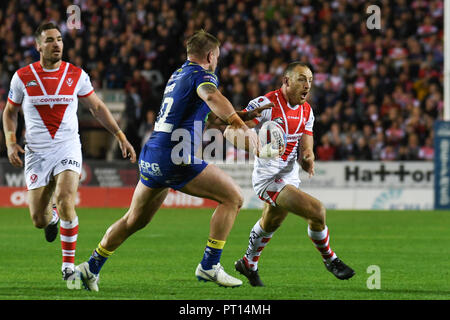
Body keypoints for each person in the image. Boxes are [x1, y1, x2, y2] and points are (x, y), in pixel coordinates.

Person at [75, 30, 268, 291]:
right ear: (210, 55)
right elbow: (211, 97)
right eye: (217, 57)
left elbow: (209, 117)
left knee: (134, 220)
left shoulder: (178, 76)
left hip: (153, 153)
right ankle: (209, 265)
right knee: (233, 198)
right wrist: (239, 124)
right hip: (176, 156)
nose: (217, 61)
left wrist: (241, 115)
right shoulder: (204, 75)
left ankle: (91, 267)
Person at [2, 22, 136, 282]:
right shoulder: (22, 77)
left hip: (67, 146)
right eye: (50, 40)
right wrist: (10, 141)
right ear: (38, 46)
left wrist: (120, 136)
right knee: (38, 220)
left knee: (65, 199)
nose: (57, 44)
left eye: (60, 39)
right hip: (37, 153)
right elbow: (10, 112)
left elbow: (97, 107)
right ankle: (50, 218)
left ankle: (67, 267)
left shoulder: (76, 74)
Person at [230, 62, 355, 286]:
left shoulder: (307, 110)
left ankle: (248, 263)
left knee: (271, 222)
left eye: (310, 80)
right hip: (268, 178)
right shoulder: (266, 104)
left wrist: (308, 157)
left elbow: (306, 142)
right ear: (286, 81)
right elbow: (232, 129)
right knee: (317, 211)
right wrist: (256, 148)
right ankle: (330, 260)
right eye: (301, 79)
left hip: (290, 176)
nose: (307, 85)